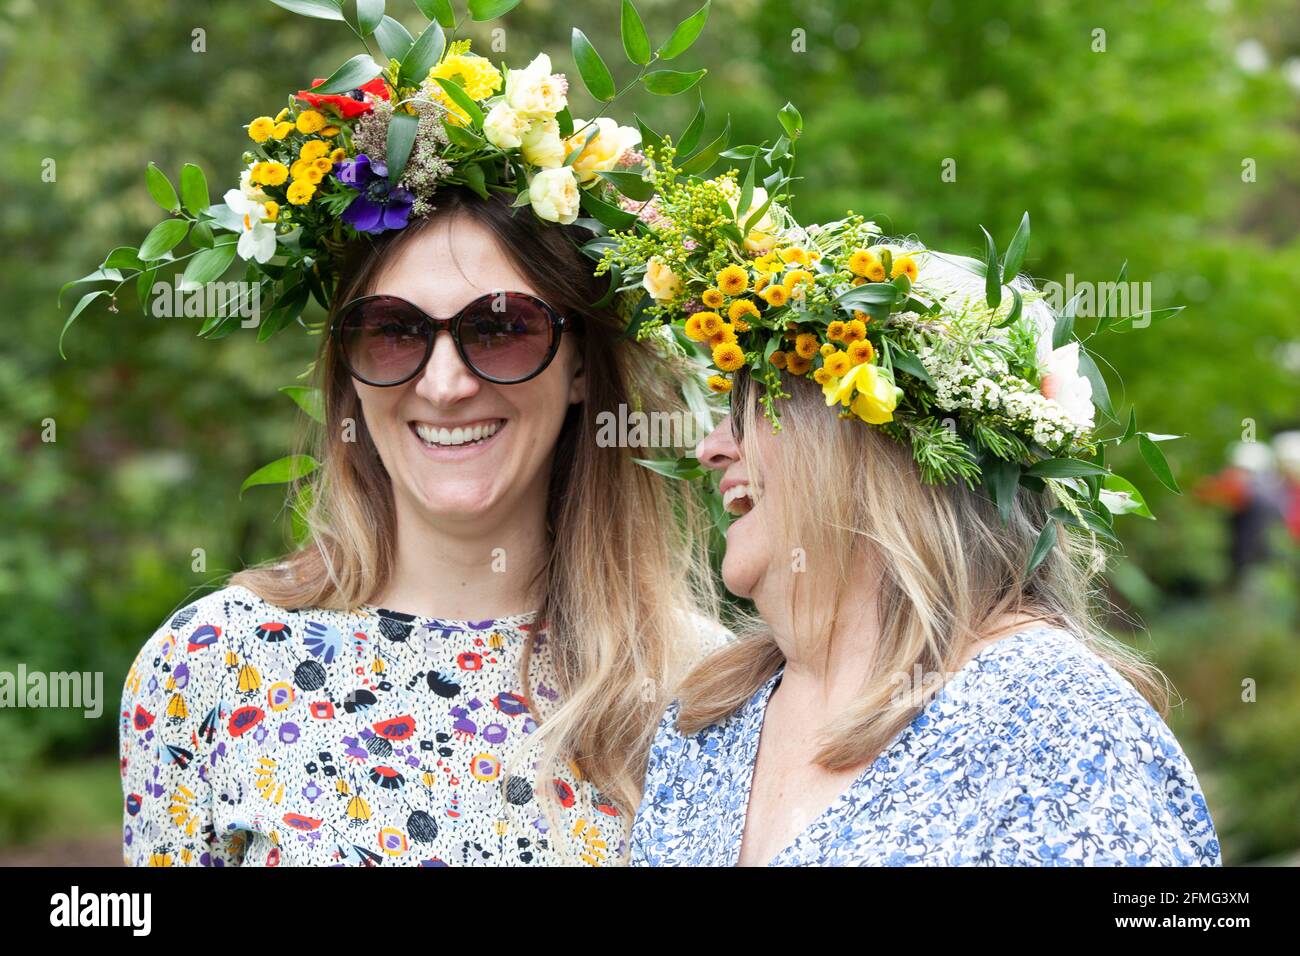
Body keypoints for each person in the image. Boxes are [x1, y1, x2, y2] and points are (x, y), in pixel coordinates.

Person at [120, 186, 724, 867]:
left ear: (579, 362)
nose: (444, 385)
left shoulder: (706, 690)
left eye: (499, 329)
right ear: (349, 373)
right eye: (394, 331)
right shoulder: (210, 665)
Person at [629, 251, 1222, 867]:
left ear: (881, 435)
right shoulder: (706, 718)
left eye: (757, 402)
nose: (710, 450)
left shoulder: (1058, 723)